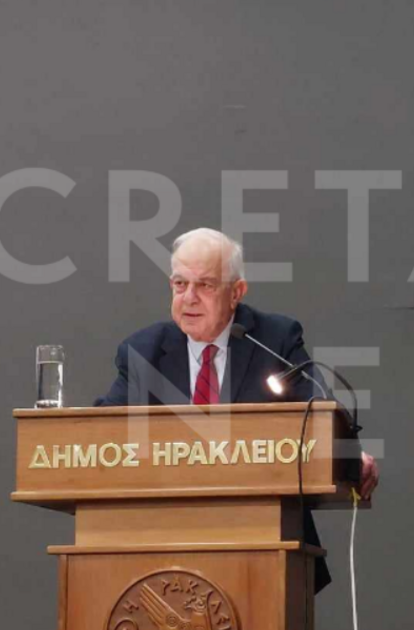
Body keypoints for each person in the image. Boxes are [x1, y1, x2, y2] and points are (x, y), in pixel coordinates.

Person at [94, 227, 379, 593]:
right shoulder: (143, 351)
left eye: (205, 285)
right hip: (159, 554)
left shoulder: (274, 339)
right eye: (180, 284)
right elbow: (104, 432)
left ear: (237, 293)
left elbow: (318, 410)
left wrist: (348, 454)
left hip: (268, 549)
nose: (189, 298)